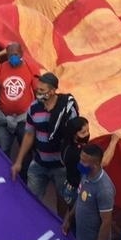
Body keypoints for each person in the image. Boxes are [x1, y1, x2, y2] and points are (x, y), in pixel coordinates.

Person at [12, 71, 80, 209]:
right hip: (39, 164)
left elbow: (75, 138)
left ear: (53, 91)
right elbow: (29, 134)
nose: (38, 92)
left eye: (42, 90)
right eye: (38, 89)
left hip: (60, 167)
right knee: (31, 200)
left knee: (63, 201)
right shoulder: (34, 107)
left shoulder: (66, 110)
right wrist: (18, 161)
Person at [61, 142, 114, 240]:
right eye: (81, 159)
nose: (80, 163)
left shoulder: (104, 189)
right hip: (81, 235)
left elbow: (106, 222)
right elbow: (80, 198)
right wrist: (69, 218)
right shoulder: (85, 174)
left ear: (95, 164)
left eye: (84, 161)